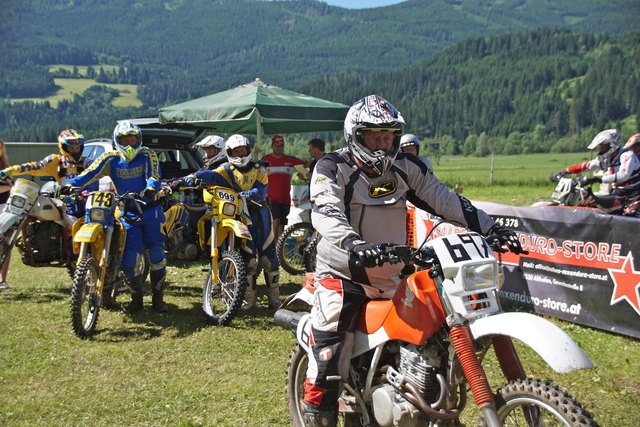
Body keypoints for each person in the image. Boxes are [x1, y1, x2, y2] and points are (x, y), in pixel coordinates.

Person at [300, 95, 518, 425]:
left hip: (394, 273)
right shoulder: (332, 167)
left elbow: (445, 201)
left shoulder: (406, 167)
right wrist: (355, 244)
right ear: (356, 136)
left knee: (434, 334)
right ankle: (317, 414)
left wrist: (491, 228)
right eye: (374, 137)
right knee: (329, 352)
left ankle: (427, 400)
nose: (383, 145)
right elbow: (326, 211)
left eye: (389, 137)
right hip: (343, 273)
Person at [63, 121, 168, 313]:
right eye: (124, 140)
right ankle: (136, 300)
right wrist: (71, 185)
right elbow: (90, 173)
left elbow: (154, 175)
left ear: (139, 139)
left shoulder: (147, 154)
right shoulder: (110, 158)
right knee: (128, 260)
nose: (129, 144)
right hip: (128, 212)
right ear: (117, 141)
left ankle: (158, 299)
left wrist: (151, 188)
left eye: (133, 140)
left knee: (157, 256)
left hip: (151, 211)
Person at [178, 135, 281, 309]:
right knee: (248, 259)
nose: (240, 154)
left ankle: (275, 299)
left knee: (269, 258)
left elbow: (261, 192)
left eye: (242, 150)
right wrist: (189, 178)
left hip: (260, 214)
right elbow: (208, 175)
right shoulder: (225, 169)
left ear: (248, 150)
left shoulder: (259, 168)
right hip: (240, 215)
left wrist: (242, 195)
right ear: (229, 153)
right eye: (236, 151)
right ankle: (249, 300)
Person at [0, 130, 96, 290]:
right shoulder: (56, 162)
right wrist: (11, 170)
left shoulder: (89, 163)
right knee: (72, 237)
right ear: (63, 147)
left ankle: (98, 271)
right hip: (68, 206)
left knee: (88, 238)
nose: (75, 150)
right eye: (71, 147)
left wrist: (83, 194)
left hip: (88, 205)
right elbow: (34, 167)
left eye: (77, 146)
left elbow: (96, 181)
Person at [557, 129, 640, 209]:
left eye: (603, 147)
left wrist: (598, 179)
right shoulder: (608, 159)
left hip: (633, 195)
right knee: (588, 199)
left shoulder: (627, 156)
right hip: (617, 193)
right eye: (600, 147)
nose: (601, 150)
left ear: (612, 145)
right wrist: (565, 171)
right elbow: (588, 165)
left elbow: (623, 175)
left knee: (629, 214)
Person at [262, 135, 309, 244]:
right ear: (272, 146)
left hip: (285, 199)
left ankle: (279, 248)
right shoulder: (265, 160)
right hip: (271, 198)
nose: (279, 148)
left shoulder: (291, 160)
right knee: (275, 221)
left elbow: (307, 164)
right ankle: (271, 247)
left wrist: (323, 158)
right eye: (277, 146)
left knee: (282, 226)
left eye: (281, 146)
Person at [0, 140, 12, 291]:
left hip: (5, 208)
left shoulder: (6, 168)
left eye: (0, 147)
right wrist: (8, 186)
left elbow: (13, 186)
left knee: (6, 244)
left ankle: (2, 280)